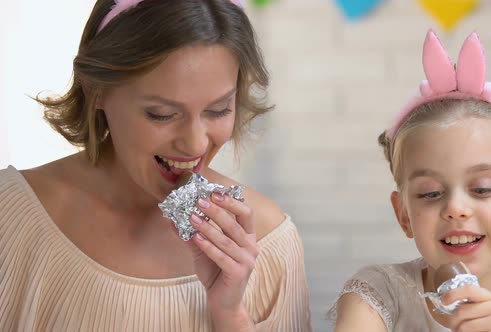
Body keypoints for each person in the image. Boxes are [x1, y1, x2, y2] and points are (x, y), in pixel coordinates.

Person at [0, 0, 311, 331]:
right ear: (96, 90)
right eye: (162, 114)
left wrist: (230, 315)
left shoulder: (270, 243)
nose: (196, 144)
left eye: (219, 110)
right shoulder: (10, 215)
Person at [331, 30, 491, 332]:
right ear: (403, 213)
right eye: (430, 193)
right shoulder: (380, 296)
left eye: (482, 189)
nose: (456, 208)